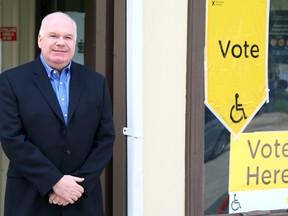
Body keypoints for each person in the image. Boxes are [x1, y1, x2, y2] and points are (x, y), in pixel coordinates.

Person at [0, 12, 115, 216]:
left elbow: (105, 138)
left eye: (68, 37)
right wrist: (54, 181)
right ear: (40, 39)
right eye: (54, 36)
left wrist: (78, 186)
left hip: (81, 197)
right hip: (30, 198)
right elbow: (12, 138)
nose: (61, 43)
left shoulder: (97, 83)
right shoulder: (11, 81)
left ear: (75, 42)